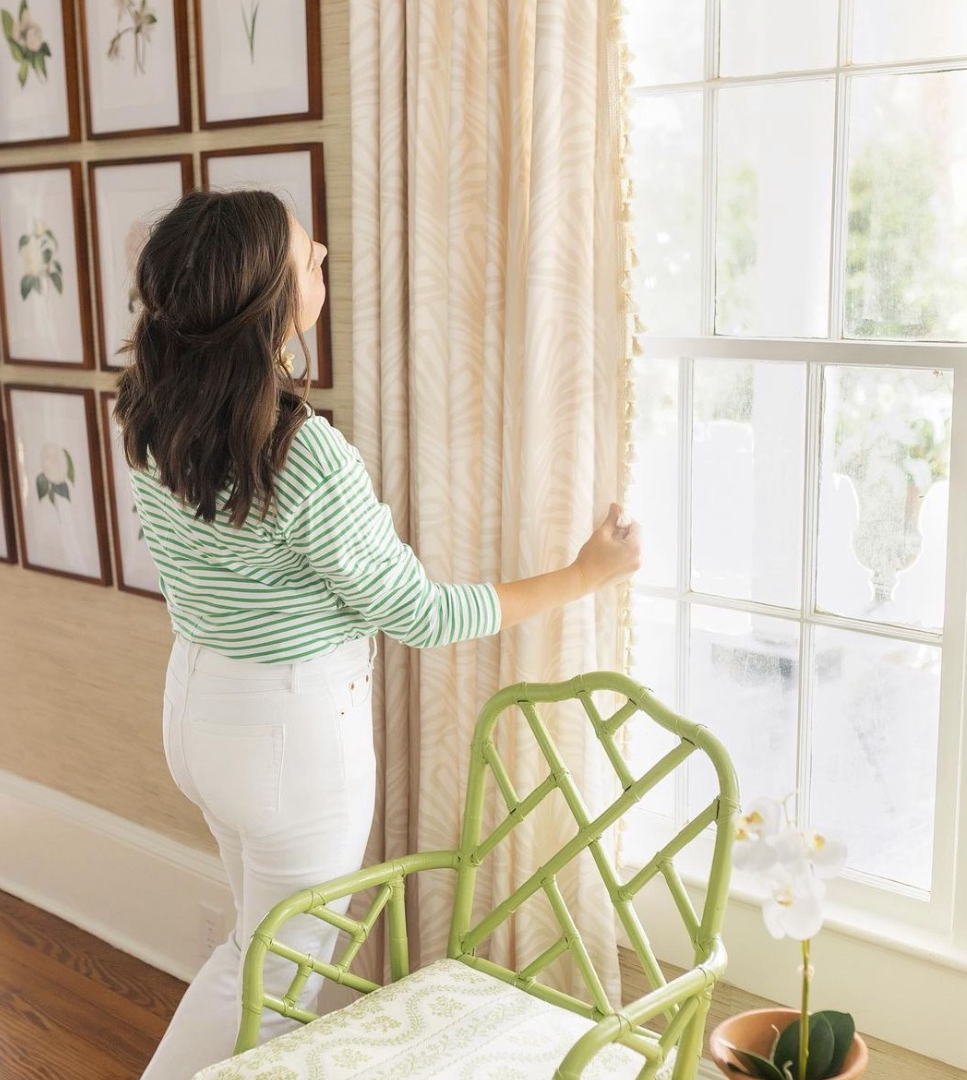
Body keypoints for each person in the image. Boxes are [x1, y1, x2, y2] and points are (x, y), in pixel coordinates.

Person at [114, 188, 641, 1080]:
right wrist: (585, 576)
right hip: (287, 741)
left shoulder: (150, 416)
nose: (321, 254)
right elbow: (423, 615)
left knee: (259, 952)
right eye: (303, 254)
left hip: (201, 712)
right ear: (269, 304)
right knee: (274, 976)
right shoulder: (301, 455)